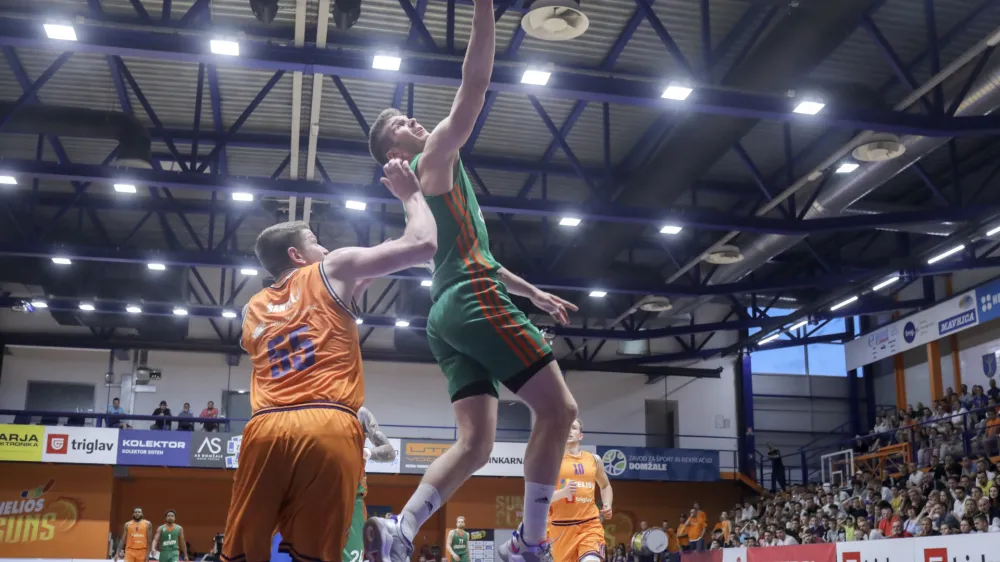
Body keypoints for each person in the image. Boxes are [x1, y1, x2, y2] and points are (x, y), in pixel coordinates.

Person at [364, 0, 579, 560]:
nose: (414, 120)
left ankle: (401, 530)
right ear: (395, 149)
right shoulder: (434, 154)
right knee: (559, 413)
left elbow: (466, 254)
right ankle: (530, 544)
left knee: (477, 443)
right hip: (471, 299)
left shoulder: (420, 195)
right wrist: (486, 8)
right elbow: (475, 82)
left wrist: (532, 292)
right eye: (400, 124)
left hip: (447, 311)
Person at [221, 158, 438, 562]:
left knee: (241, 555)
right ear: (297, 255)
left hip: (264, 429)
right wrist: (411, 195)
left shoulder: (253, 307)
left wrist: (382, 261)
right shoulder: (331, 268)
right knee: (317, 555)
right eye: (316, 241)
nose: (324, 246)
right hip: (326, 424)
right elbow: (424, 244)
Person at [547, 419, 613, 562]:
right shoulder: (550, 461)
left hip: (589, 524)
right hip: (560, 528)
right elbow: (539, 498)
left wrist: (607, 503)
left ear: (580, 436)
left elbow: (605, 485)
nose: (569, 430)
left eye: (574, 428)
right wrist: (562, 493)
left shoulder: (594, 460)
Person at [345, 406, 398, 562]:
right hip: (319, 497)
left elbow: (390, 452)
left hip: (353, 501)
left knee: (351, 557)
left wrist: (367, 452)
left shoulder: (359, 413)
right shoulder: (316, 409)